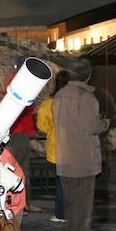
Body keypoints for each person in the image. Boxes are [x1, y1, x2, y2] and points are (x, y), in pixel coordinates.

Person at [52, 58, 107, 231]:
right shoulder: (86, 97)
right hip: (82, 158)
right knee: (82, 205)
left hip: (64, 156)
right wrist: (105, 124)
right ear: (89, 76)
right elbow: (91, 127)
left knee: (70, 202)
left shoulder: (60, 95)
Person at [3, 57, 43, 213]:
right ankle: (21, 204)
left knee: (16, 169)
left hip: (17, 131)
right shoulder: (19, 83)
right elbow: (26, 108)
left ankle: (22, 203)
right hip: (18, 133)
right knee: (20, 170)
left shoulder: (13, 81)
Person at [36, 70, 70, 223]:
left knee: (61, 184)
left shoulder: (48, 104)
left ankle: (61, 214)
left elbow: (42, 127)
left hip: (56, 149)